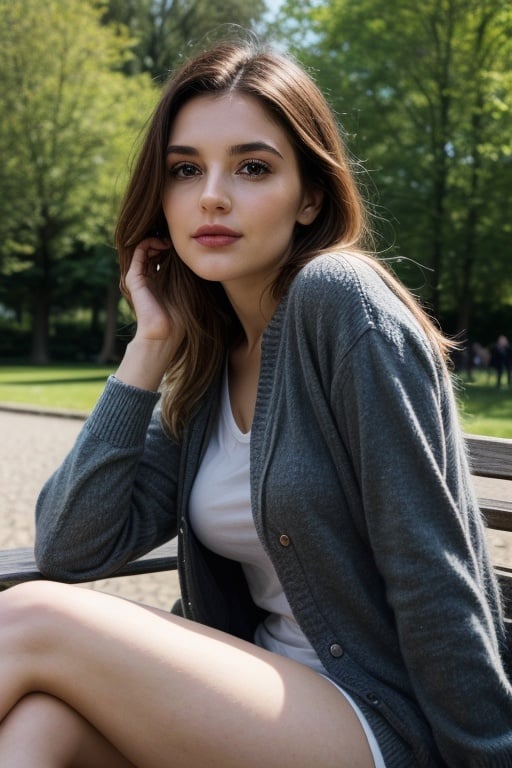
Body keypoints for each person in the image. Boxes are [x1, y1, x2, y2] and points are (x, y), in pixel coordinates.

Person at [0, 38, 510, 768]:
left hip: (380, 726)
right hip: (256, 714)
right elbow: (71, 545)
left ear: (310, 197)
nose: (212, 194)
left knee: (28, 616)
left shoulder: (341, 301)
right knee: (39, 725)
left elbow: (435, 574)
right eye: (185, 170)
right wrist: (147, 348)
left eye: (252, 167)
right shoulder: (209, 363)